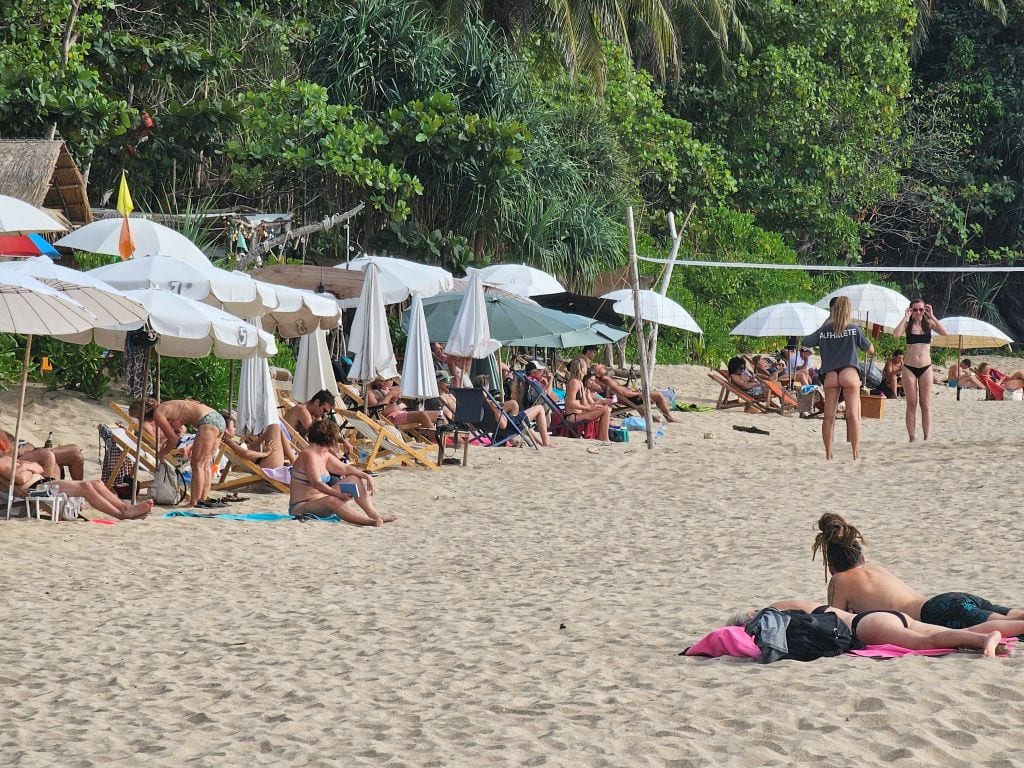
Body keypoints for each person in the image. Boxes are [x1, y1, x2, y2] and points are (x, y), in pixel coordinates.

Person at [813, 513, 1024, 633]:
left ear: (831, 566)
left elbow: (835, 621)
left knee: (1006, 627)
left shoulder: (840, 580)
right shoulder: (875, 569)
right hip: (951, 599)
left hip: (936, 613)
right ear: (862, 558)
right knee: (1014, 615)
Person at [738, 600, 1003, 658]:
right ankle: (983, 635)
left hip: (866, 626)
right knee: (930, 633)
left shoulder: (775, 612)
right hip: (883, 615)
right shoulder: (794, 604)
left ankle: (985, 640)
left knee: (927, 641)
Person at [802, 296, 874, 460]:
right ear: (849, 310)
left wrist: (826, 328)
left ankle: (829, 453)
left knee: (829, 416)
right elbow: (870, 349)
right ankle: (855, 452)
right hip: (849, 372)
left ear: (833, 310)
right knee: (853, 415)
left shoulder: (825, 330)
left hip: (831, 373)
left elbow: (806, 341)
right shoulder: (854, 329)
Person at [287, 419, 395, 526]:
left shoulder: (324, 454)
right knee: (331, 500)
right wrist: (339, 494)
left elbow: (345, 469)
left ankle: (375, 515)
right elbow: (317, 483)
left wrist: (366, 476)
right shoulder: (308, 454)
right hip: (301, 506)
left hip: (320, 498)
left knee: (354, 478)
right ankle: (368, 522)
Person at [0, 456, 152, 520]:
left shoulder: (8, 458)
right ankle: (122, 514)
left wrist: (25, 467)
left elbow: (39, 467)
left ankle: (125, 508)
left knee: (97, 483)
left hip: (43, 482)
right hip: (35, 490)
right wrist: (26, 467)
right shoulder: (2, 463)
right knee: (86, 487)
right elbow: (21, 478)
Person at [143, 398, 225, 509]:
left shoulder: (159, 413)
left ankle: (194, 502)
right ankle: (202, 499)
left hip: (208, 421)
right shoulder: (169, 405)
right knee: (205, 464)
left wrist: (163, 452)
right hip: (218, 419)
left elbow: (173, 439)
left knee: (197, 465)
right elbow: (176, 433)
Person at [891, 299, 948, 441]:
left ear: (924, 310)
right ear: (911, 310)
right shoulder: (908, 324)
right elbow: (895, 335)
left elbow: (943, 332)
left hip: (926, 367)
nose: (918, 312)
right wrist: (905, 317)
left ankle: (927, 437)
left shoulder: (928, 323)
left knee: (925, 403)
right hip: (909, 367)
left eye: (920, 309)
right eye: (915, 309)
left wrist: (932, 316)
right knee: (911, 403)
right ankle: (912, 437)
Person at [592, 363, 675, 422]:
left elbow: (620, 389)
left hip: (630, 396)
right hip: (631, 399)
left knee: (657, 394)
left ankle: (653, 416)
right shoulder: (606, 381)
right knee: (658, 396)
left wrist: (627, 386)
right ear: (598, 374)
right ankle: (669, 418)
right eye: (601, 368)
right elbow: (623, 393)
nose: (604, 367)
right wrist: (638, 394)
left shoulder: (607, 378)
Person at [0, 427, 84, 480]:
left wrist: (33, 449)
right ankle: (50, 493)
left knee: (75, 450)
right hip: (14, 459)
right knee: (48, 455)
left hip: (27, 451)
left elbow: (16, 441)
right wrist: (16, 452)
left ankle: (78, 497)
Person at [221, 412, 295, 469]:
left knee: (274, 427)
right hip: (268, 466)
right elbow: (246, 453)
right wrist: (266, 453)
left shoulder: (229, 442)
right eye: (233, 426)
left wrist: (266, 434)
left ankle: (293, 459)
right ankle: (294, 460)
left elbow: (252, 446)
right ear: (226, 430)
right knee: (275, 426)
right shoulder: (228, 442)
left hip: (267, 463)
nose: (235, 429)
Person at [365, 376, 441, 430]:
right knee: (422, 415)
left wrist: (392, 398)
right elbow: (376, 411)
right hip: (392, 418)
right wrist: (390, 395)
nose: (392, 381)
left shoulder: (383, 390)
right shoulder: (370, 393)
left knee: (439, 414)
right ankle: (436, 439)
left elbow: (404, 386)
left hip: (401, 413)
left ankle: (446, 437)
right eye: (389, 379)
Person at [563, 359, 610, 441]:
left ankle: (601, 438)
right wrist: (589, 408)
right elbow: (571, 403)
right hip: (572, 416)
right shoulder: (573, 382)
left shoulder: (580, 382)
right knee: (606, 410)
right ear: (581, 368)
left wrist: (596, 406)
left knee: (605, 408)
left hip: (579, 414)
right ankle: (605, 440)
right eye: (585, 367)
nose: (586, 368)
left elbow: (584, 402)